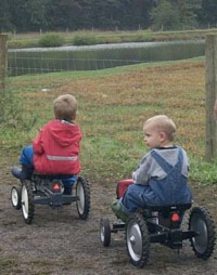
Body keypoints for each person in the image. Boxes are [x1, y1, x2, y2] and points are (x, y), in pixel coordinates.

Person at [111, 115, 192, 222]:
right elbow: (186, 172)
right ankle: (174, 223)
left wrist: (134, 175)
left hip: (159, 200)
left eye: (148, 135)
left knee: (131, 191)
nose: (145, 139)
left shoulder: (152, 156)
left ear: (161, 137)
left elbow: (141, 179)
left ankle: (128, 216)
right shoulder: (182, 153)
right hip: (183, 198)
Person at [11, 94, 82, 194]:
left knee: (26, 151)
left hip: (48, 168)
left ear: (55, 114)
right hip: (69, 169)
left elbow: (38, 148)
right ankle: (68, 189)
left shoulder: (48, 128)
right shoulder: (77, 131)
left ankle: (25, 175)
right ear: (75, 115)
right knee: (67, 165)